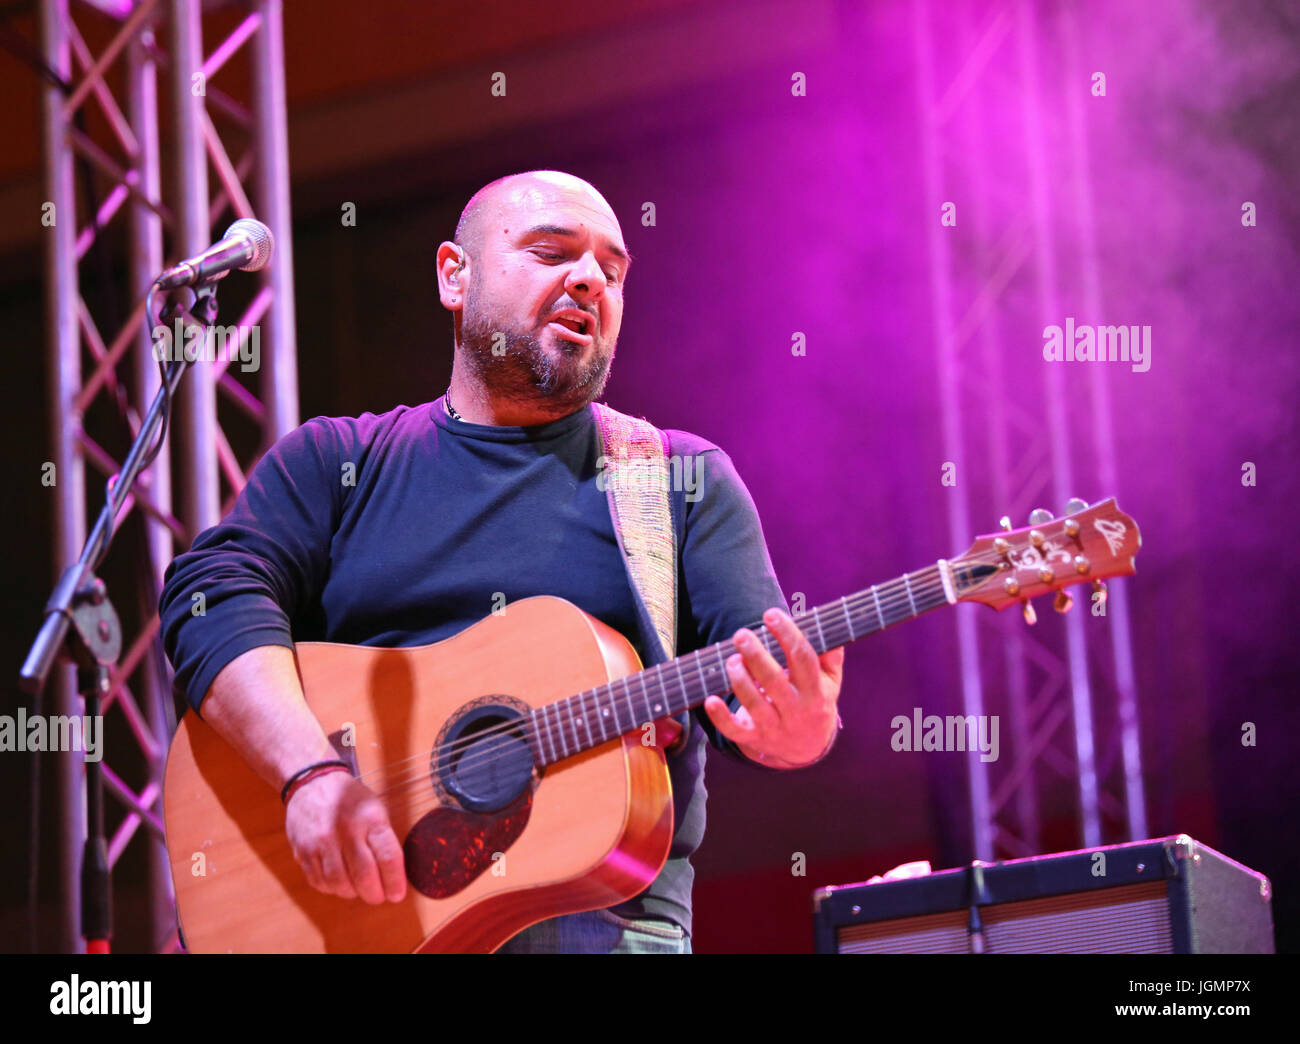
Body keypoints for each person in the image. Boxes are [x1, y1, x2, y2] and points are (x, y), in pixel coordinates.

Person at [158, 170, 845, 954]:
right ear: (456, 275)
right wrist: (310, 775)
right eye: (553, 251)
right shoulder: (335, 462)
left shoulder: (676, 481)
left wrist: (798, 734)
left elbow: (760, 699)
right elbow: (209, 599)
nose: (589, 279)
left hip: (603, 926)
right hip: (360, 923)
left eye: (612, 270)